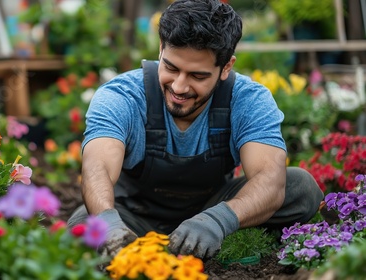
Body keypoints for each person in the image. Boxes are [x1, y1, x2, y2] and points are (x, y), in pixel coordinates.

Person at [67, 0, 324, 260]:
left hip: (210, 211)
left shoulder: (248, 100)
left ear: (226, 67)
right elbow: (96, 166)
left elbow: (270, 179)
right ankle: (135, 247)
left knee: (300, 187)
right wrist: (109, 223)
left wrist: (219, 220)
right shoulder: (122, 95)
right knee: (83, 225)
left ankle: (212, 239)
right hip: (134, 219)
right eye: (171, 67)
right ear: (160, 49)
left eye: (197, 76)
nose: (179, 87)